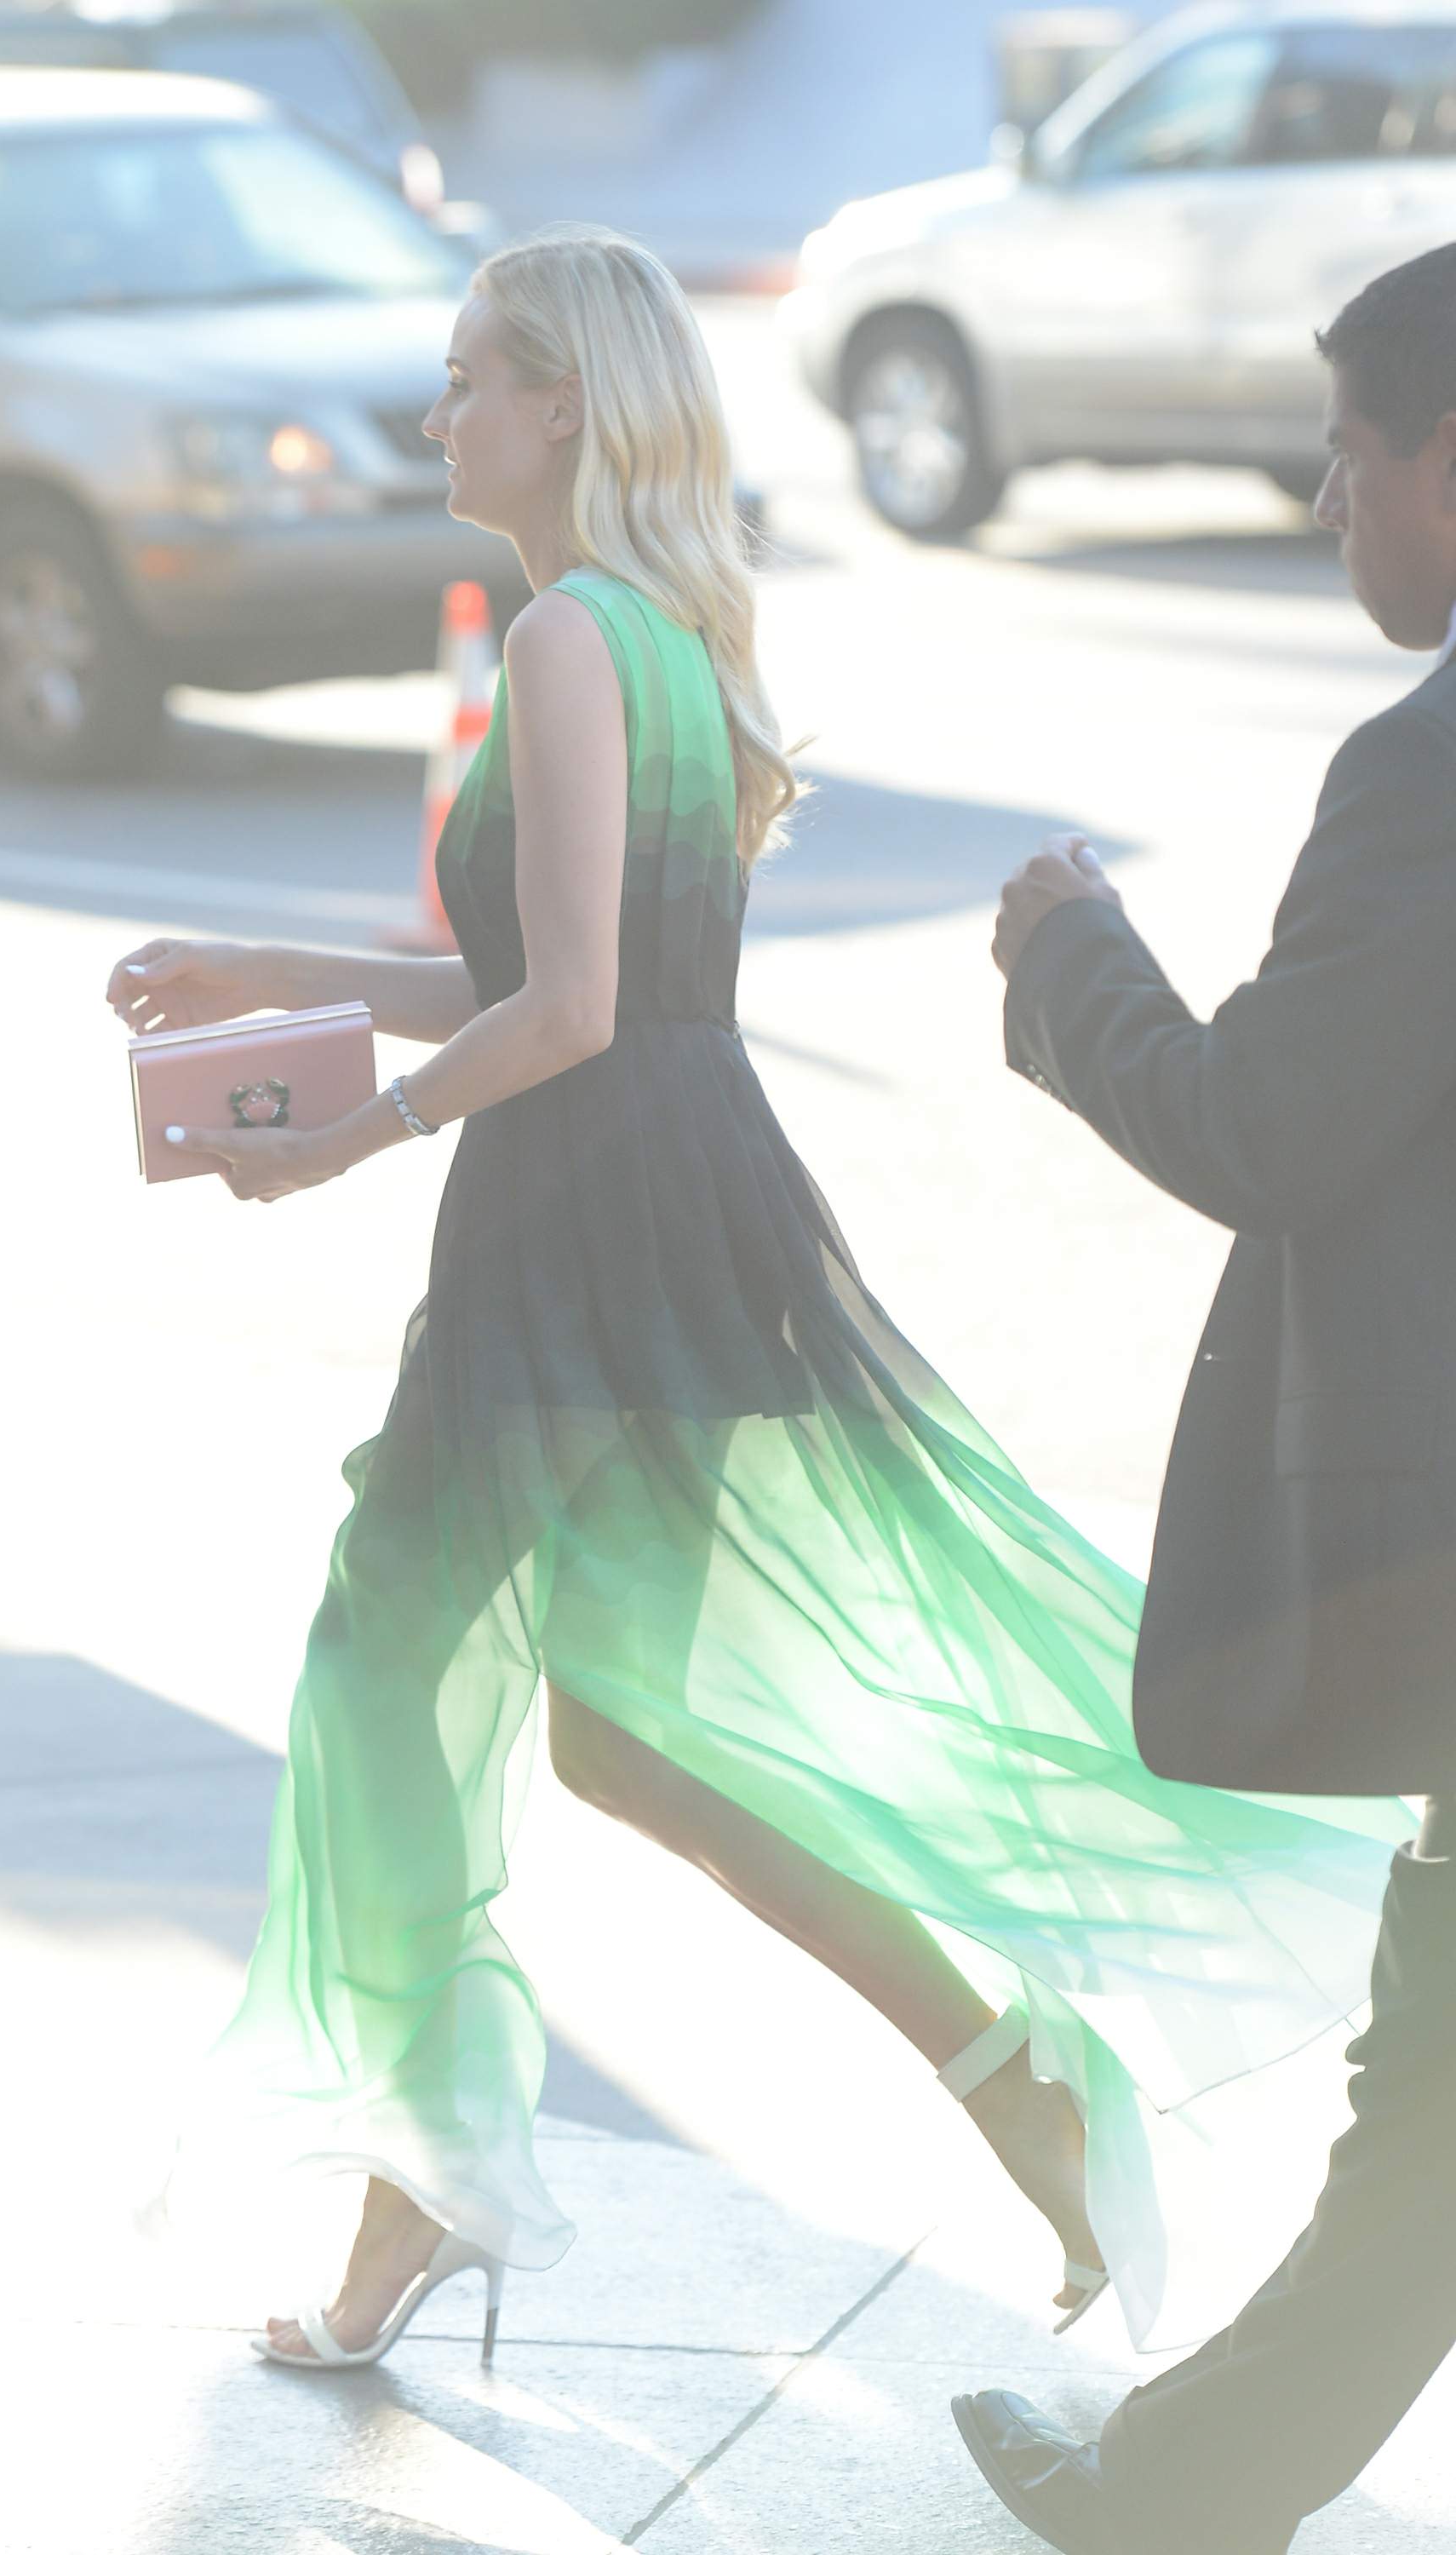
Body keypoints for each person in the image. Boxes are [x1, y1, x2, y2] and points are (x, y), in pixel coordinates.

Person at [109, 227, 1404, 2375]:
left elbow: (574, 1007)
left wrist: (345, 1133)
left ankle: (418, 2191)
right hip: (681, 1213)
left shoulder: (558, 644)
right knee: (631, 1737)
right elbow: (559, 985)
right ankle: (1019, 2084)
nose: (438, 417)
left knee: (381, 1682)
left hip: (574, 1238)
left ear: (563, 407)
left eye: (465, 383)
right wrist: (272, 980)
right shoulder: (656, 636)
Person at [953, 242, 1456, 2554]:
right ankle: (1177, 2491)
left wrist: (1071, 962)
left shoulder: (1428, 771)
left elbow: (1261, 1124)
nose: (1328, 498)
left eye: (1357, 456)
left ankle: (1170, 2500)